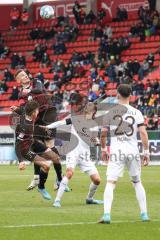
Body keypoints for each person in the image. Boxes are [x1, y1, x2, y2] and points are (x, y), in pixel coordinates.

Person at [99, 84, 150, 223]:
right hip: (133, 151)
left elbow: (103, 133)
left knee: (110, 182)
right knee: (137, 182)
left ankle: (107, 215)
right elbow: (143, 133)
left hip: (117, 151)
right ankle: (144, 214)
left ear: (117, 94)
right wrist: (146, 152)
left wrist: (104, 150)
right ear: (130, 95)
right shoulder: (137, 112)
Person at [12, 69, 68, 191]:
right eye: (22, 75)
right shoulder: (20, 93)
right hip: (36, 119)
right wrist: (17, 109)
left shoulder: (36, 81)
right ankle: (37, 178)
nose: (25, 76)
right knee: (36, 146)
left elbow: (39, 90)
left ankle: (59, 178)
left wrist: (29, 92)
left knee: (50, 144)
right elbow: (24, 109)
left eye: (25, 74)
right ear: (18, 81)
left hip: (48, 115)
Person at [53, 93, 103, 207]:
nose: (90, 112)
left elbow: (93, 140)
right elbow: (60, 123)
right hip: (73, 151)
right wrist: (47, 127)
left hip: (85, 155)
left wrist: (95, 141)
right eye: (88, 110)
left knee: (97, 180)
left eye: (92, 111)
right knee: (70, 173)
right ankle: (57, 200)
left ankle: (89, 199)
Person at [15, 100, 61, 200]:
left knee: (55, 157)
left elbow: (23, 111)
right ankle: (41, 187)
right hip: (26, 149)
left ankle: (58, 181)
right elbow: (17, 143)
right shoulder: (23, 126)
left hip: (33, 143)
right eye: (37, 111)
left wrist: (16, 109)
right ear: (33, 113)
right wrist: (21, 161)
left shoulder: (29, 116)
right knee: (46, 165)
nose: (38, 112)